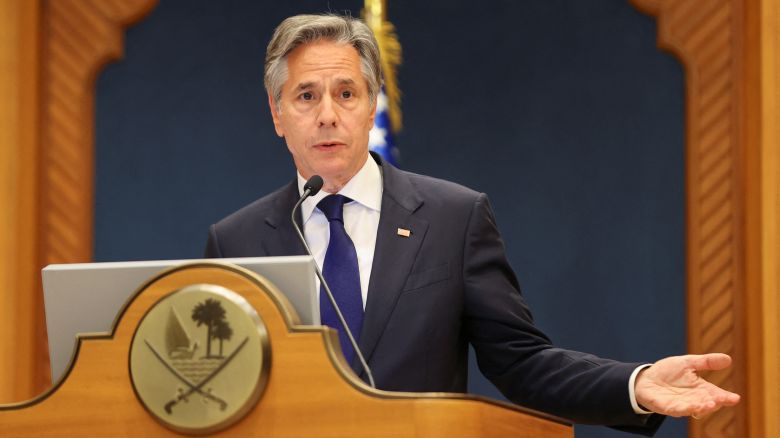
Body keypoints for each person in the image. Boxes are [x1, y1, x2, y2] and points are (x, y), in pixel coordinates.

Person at [205, 14, 739, 435]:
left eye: (346, 94)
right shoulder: (238, 239)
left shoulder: (452, 217)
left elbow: (522, 364)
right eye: (306, 96)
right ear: (277, 115)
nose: (327, 114)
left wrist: (635, 384)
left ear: (372, 108)